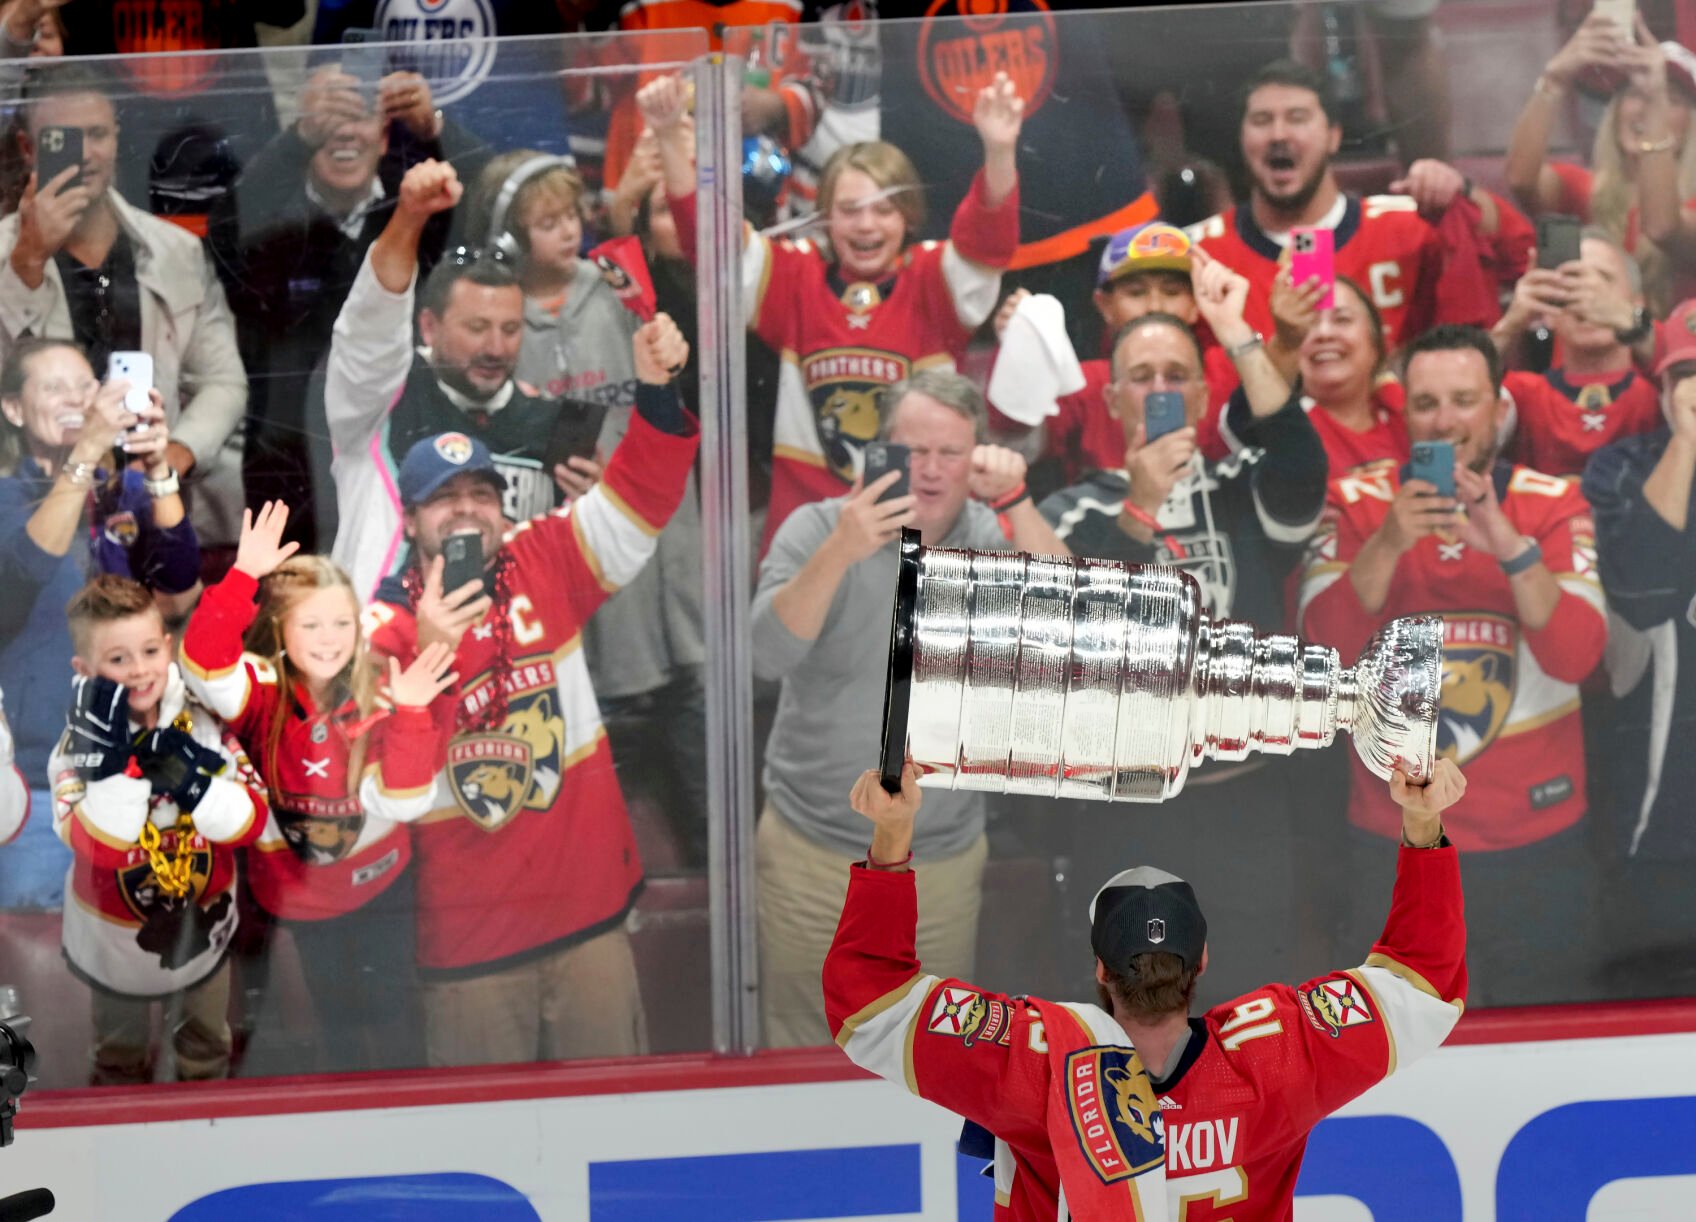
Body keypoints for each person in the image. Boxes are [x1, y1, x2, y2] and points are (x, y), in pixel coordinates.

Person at [824, 755, 1467, 1219]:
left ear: (1101, 968)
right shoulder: (1276, 1055)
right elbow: (1425, 985)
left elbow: (869, 1006)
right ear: (1204, 961)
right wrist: (1422, 823)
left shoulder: (1034, 1061)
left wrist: (892, 836)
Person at [361, 314, 698, 1067]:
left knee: (612, 1123)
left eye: (481, 492)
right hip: (472, 946)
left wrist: (657, 390)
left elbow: (642, 496)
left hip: (587, 921)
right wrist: (430, 655)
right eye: (444, 499)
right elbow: (394, 793)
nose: (466, 510)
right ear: (411, 518)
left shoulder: (544, 556)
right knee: (487, 1146)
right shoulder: (381, 628)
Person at [1037, 254, 1327, 1006]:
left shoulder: (1239, 492)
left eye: (1176, 374)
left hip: (1245, 805)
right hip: (1126, 815)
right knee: (1128, 1034)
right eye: (1141, 376)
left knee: (1254, 1023)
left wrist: (1234, 329)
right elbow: (1083, 643)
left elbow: (1301, 466)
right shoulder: (1074, 512)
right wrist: (1137, 509)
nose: (1160, 389)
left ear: (1202, 393)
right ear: (1110, 398)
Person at [752, 370, 1067, 1048]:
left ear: (976, 457)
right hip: (814, 849)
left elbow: (1073, 631)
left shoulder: (996, 534)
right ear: (880, 451)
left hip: (940, 856)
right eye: (912, 450)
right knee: (799, 1045)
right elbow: (764, 656)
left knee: (930, 1049)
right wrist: (841, 551)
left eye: (949, 453)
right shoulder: (816, 528)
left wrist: (1018, 500)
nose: (929, 470)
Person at [1300, 324, 1607, 1006]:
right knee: (1396, 1059)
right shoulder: (1353, 500)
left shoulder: (1553, 502)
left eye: (1465, 400)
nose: (1447, 420)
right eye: (1428, 403)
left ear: (1499, 411)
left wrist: (1506, 543)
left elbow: (1577, 653)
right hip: (1396, 843)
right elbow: (1323, 652)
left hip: (1536, 844)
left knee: (1543, 1053)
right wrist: (1387, 542)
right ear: (1403, 414)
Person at [642, 69, 1023, 549]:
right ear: (824, 218)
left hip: (923, 535)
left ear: (908, 217)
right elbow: (710, 240)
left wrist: (999, 151)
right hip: (811, 539)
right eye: (849, 209)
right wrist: (670, 137)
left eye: (883, 209)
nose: (866, 225)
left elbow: (987, 240)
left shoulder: (933, 280)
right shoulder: (794, 280)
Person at [179, 501, 459, 1073]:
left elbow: (403, 800)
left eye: (341, 623)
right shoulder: (259, 689)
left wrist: (409, 713)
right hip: (302, 900)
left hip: (383, 888)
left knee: (395, 1018)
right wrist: (242, 577)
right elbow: (201, 664)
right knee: (340, 1032)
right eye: (311, 624)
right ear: (282, 630)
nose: (329, 640)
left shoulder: (383, 684)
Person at [327, 157, 611, 599]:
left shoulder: (553, 420)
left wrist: (595, 508)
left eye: (511, 329)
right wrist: (410, 216)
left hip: (511, 650)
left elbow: (586, 567)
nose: (496, 348)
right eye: (476, 328)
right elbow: (370, 325)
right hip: (395, 644)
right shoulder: (379, 402)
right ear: (429, 328)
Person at [207, 62, 462, 553]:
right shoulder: (268, 226)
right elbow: (228, 226)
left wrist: (432, 133)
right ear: (301, 133)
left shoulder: (412, 216)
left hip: (395, 450)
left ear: (386, 136)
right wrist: (299, 139)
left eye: (361, 111)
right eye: (328, 113)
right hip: (285, 456)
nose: (344, 129)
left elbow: (477, 203)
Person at [0, 62, 249, 551]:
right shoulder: (6, 254)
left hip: (159, 508)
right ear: (30, 148)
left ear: (117, 136)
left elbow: (224, 381)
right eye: (64, 139)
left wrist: (171, 457)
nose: (86, 154)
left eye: (97, 134)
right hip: (33, 513)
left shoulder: (174, 251)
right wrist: (26, 262)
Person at [0, 338, 200, 910]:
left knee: (137, 950)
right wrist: (88, 449)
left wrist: (158, 468)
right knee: (42, 960)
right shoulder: (6, 497)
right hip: (42, 783)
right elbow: (28, 562)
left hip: (134, 768)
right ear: (14, 409)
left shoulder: (122, 490)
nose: (76, 399)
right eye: (54, 387)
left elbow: (180, 574)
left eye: (87, 385)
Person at [50, 575, 268, 1083]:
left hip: (203, 926)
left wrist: (195, 784)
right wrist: (113, 774)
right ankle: (120, 1144)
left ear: (168, 647)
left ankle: (206, 1139)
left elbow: (252, 819)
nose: (139, 670)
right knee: (118, 1057)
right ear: (84, 670)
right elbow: (91, 846)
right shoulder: (73, 747)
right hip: (114, 939)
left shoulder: (205, 720)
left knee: (207, 1048)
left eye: (149, 650)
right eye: (118, 659)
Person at [1188, 59, 1529, 352]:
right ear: (1242, 139)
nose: (1279, 134)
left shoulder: (1413, 227)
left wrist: (1464, 191)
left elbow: (1517, 255)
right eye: (1262, 120)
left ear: (1333, 136)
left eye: (1297, 117)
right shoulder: (1198, 254)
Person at [1581, 297, 1696, 990]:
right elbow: (1644, 592)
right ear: (1662, 388)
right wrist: (1686, 443)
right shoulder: (1620, 468)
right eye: (1688, 375)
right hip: (1663, 819)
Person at [985, 223, 1241, 490]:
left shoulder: (1229, 369)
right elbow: (1015, 443)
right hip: (1107, 529)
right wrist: (1018, 351)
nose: (1154, 306)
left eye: (1172, 291)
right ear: (1104, 305)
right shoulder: (1081, 383)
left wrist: (1237, 330)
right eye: (1136, 292)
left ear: (1195, 303)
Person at [1505, 11, 1696, 315]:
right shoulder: (1585, 191)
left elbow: (1662, 226)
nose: (1644, 109)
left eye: (1669, 100)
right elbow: (1521, 179)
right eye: (1634, 94)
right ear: (1616, 110)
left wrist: (1654, 92)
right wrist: (1555, 76)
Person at [1491, 231, 1665, 477]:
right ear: (1548, 310)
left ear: (1638, 304)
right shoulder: (1522, 395)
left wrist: (1631, 323)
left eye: (1603, 281)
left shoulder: (1663, 390)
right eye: (1572, 283)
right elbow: (1452, 398)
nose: (1588, 297)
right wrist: (1510, 324)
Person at [1220, 272, 1410, 478]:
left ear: (1377, 341)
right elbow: (1251, 415)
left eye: (1342, 319)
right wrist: (1286, 342)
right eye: (1310, 323)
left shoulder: (1407, 411)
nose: (1324, 333)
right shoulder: (1282, 427)